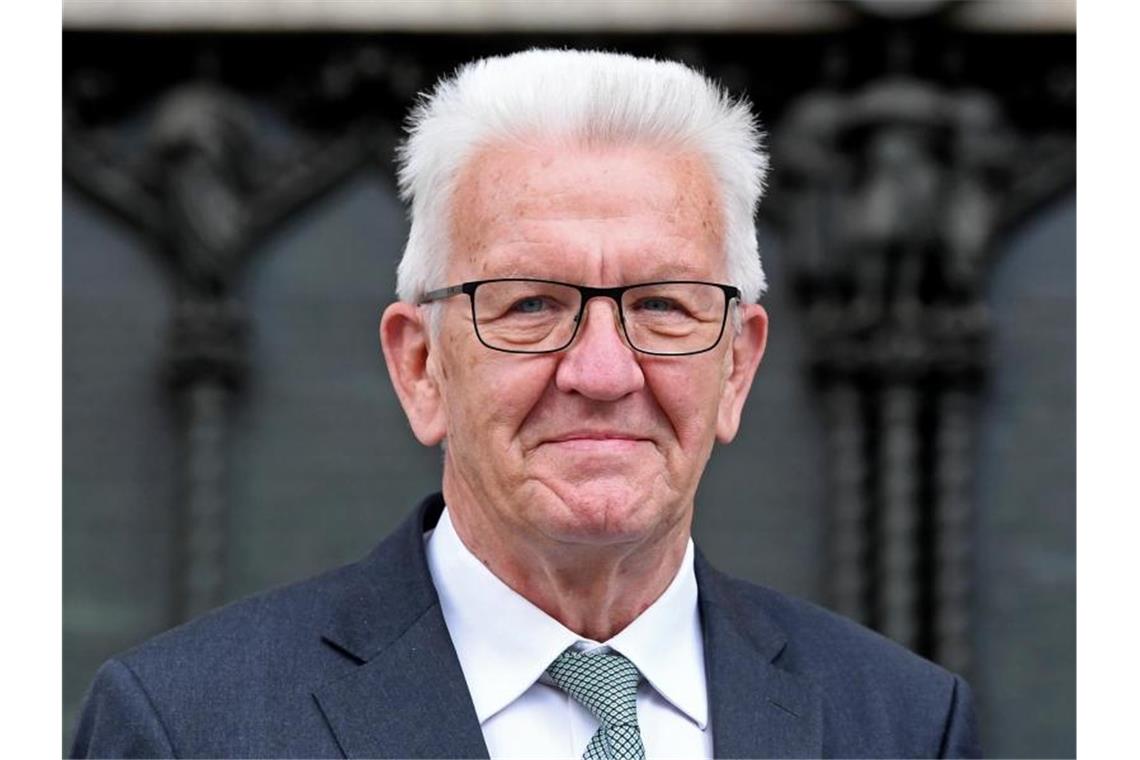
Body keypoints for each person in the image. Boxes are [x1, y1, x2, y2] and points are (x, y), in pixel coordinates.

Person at [71, 49, 979, 759]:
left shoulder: (900, 725)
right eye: (532, 305)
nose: (602, 371)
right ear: (421, 365)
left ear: (736, 367)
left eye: (662, 305)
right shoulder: (188, 728)